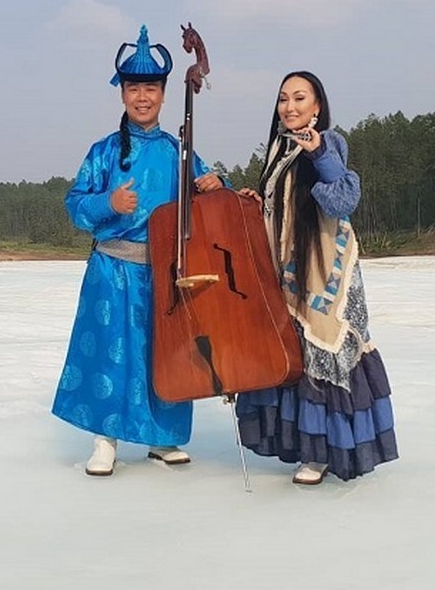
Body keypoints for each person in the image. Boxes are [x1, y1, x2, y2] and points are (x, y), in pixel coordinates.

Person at [52, 25, 224, 476]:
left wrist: (214, 185)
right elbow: (74, 205)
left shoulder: (178, 151)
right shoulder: (104, 151)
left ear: (163, 95)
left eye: (151, 88)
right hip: (111, 267)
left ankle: (160, 438)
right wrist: (108, 203)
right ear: (122, 94)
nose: (142, 97)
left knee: (162, 352)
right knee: (108, 351)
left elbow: (205, 203)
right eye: (134, 88)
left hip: (163, 271)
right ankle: (105, 440)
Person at [236, 71, 398, 485]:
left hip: (324, 269)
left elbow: (344, 199)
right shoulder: (278, 150)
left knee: (322, 348)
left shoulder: (329, 142)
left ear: (317, 106)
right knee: (293, 351)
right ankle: (305, 446)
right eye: (283, 99)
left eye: (299, 98)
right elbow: (281, 209)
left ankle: (324, 452)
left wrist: (319, 153)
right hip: (286, 269)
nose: (290, 107)